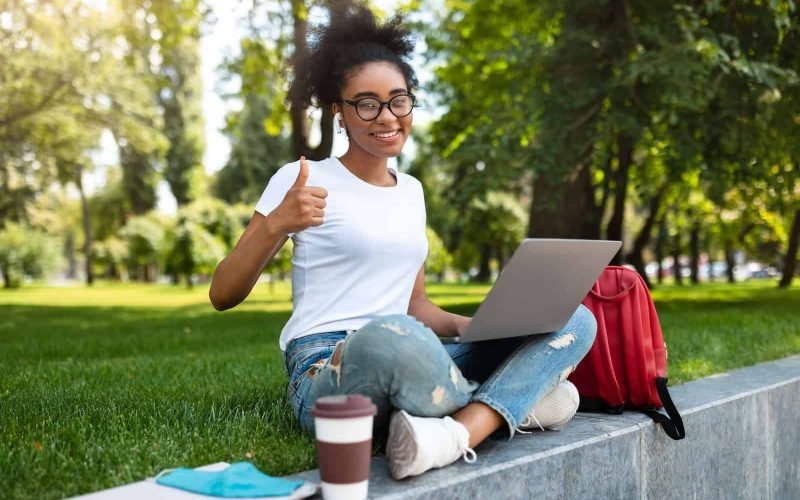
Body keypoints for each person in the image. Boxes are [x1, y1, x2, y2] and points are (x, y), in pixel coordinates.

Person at [209, 4, 597, 480]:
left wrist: (481, 327)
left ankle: (454, 434)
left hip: (415, 348)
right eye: (366, 103)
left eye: (398, 100)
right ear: (340, 111)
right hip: (329, 367)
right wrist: (277, 225)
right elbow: (222, 294)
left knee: (573, 318)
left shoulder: (411, 191)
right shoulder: (301, 178)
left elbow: (417, 307)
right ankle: (514, 401)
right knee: (392, 340)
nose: (386, 116)